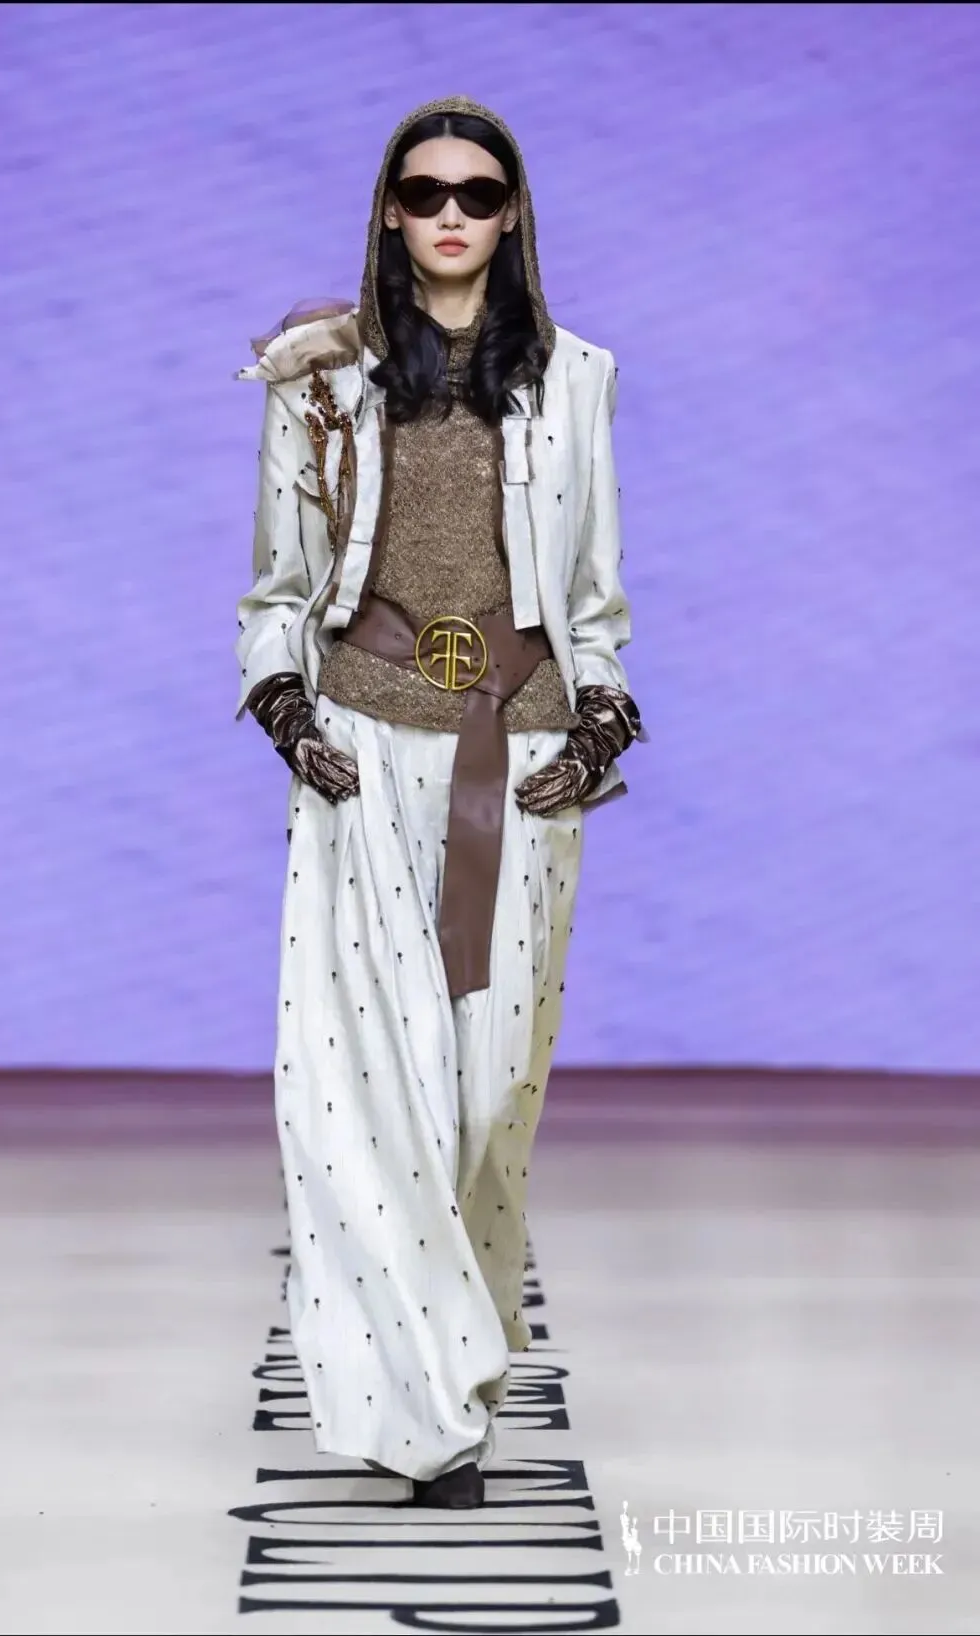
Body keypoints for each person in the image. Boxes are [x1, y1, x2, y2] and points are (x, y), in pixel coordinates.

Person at [233, 95, 647, 1510]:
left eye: (478, 191)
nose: (452, 213)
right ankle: (423, 1415)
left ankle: (457, 1362)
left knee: (483, 1099)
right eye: (425, 192)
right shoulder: (318, 379)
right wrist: (288, 715)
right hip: (361, 752)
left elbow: (594, 600)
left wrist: (602, 722)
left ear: (513, 210)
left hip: (521, 763)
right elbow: (277, 587)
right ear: (390, 212)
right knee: (366, 1092)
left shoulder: (577, 379)